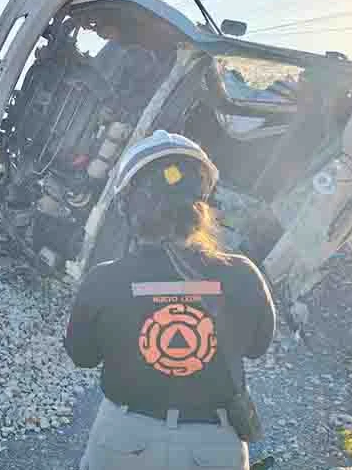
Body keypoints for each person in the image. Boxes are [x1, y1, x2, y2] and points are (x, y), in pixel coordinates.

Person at [64, 130, 276, 470]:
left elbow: (83, 355)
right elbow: (256, 347)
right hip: (214, 445)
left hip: (123, 440)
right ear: (202, 206)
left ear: (127, 206)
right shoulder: (242, 274)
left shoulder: (103, 279)